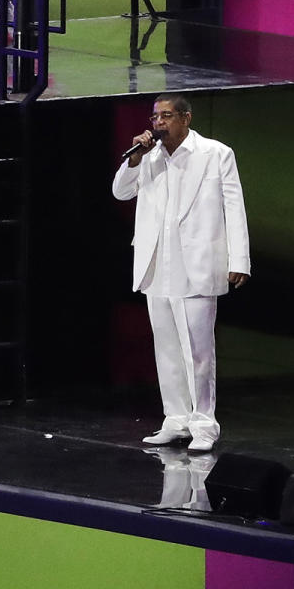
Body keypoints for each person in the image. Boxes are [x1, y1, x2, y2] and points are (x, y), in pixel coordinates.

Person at [112, 94, 250, 452]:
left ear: (186, 119)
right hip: (158, 264)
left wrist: (240, 260)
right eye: (155, 116)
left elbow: (234, 207)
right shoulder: (149, 157)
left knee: (199, 352)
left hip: (198, 265)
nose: (159, 123)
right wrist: (135, 160)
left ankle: (204, 423)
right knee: (167, 348)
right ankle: (175, 419)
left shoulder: (217, 153)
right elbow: (120, 192)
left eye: (167, 116)